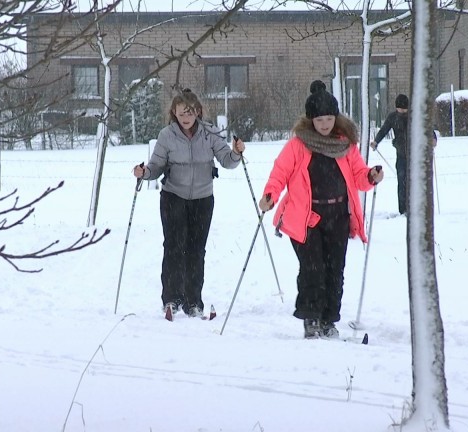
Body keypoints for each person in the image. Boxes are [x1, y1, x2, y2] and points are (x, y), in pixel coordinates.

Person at [258, 80, 383, 339]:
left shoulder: (345, 145)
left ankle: (328, 319)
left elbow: (358, 175)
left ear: (335, 118)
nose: (324, 124)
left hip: (338, 216)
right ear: (310, 120)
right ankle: (311, 318)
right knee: (313, 268)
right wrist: (270, 195)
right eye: (319, 120)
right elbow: (279, 173)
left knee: (335, 269)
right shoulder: (298, 145)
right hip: (306, 217)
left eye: (328, 119)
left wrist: (370, 176)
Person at [133, 89, 245, 318]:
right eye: (182, 112)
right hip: (173, 197)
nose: (186, 117)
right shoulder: (167, 136)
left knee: (196, 251)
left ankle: (193, 301)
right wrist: (144, 173)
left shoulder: (210, 133)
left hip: (203, 199)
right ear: (174, 112)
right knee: (174, 248)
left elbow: (227, 161)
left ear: (198, 113)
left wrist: (236, 153)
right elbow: (155, 167)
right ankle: (172, 299)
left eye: (191, 112)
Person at [370, 94, 409, 215]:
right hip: (401, 155)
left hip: (415, 155)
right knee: (402, 182)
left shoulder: (414, 116)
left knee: (414, 183)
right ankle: (403, 210)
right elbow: (384, 129)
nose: (402, 111)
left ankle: (416, 209)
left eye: (404, 109)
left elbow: (426, 129)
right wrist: (376, 141)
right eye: (400, 109)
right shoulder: (393, 117)